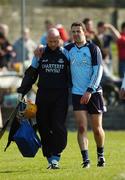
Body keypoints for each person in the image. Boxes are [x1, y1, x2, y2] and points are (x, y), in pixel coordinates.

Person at [34, 22, 106, 168]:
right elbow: (54, 49)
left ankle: (100, 155)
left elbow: (99, 72)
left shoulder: (93, 49)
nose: (75, 34)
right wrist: (41, 48)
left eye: (78, 31)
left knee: (97, 129)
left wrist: (90, 90)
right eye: (73, 31)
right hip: (77, 93)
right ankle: (86, 160)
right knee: (81, 127)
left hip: (94, 93)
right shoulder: (68, 50)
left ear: (84, 32)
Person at [17, 28, 69, 169]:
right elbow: (31, 73)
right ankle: (51, 158)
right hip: (43, 94)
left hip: (61, 95)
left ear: (59, 39)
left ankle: (57, 153)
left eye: (55, 41)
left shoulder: (65, 53)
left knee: (58, 125)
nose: (52, 44)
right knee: (43, 126)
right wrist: (22, 91)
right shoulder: (40, 53)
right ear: (46, 40)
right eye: (50, 41)